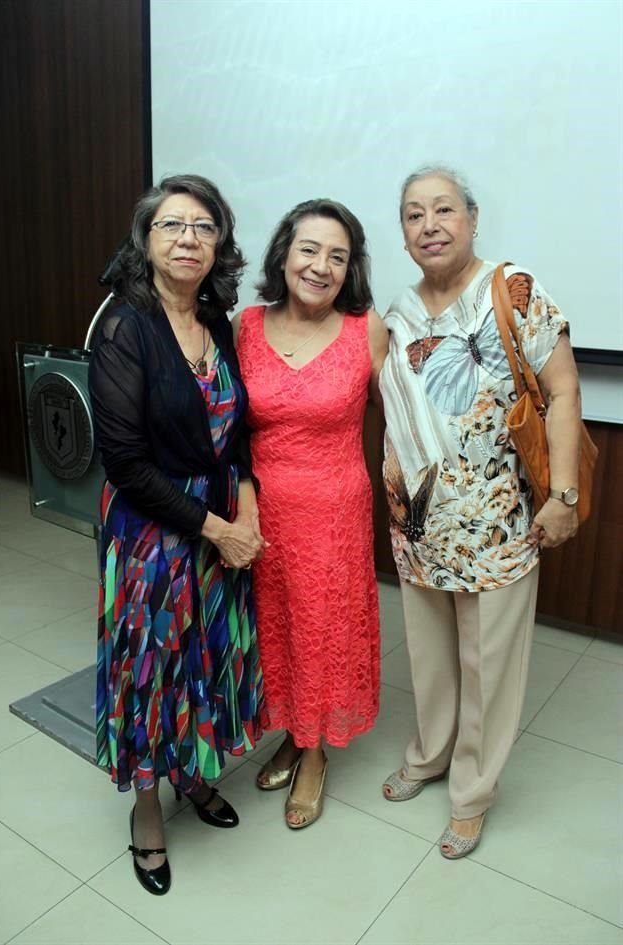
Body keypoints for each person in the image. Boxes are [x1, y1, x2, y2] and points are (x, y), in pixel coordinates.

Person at [379, 165, 582, 858]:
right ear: (403, 233)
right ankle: (431, 752)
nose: (429, 224)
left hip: (496, 523)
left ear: (470, 220)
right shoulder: (397, 312)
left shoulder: (510, 288)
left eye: (443, 210)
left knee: (488, 665)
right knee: (431, 659)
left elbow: (562, 388)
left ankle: (472, 792)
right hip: (417, 524)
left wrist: (564, 497)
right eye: (413, 214)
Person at [89, 174, 268, 895]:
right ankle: (145, 812)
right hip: (152, 532)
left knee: (203, 656)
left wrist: (246, 502)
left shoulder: (218, 319)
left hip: (220, 518)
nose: (188, 238)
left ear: (218, 244)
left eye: (203, 226)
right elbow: (125, 462)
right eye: (172, 226)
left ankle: (193, 774)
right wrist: (217, 528)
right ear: (147, 241)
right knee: (150, 669)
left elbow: (235, 432)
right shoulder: (123, 325)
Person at [234, 199, 388, 829]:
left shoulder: (366, 329)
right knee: (276, 626)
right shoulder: (244, 325)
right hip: (260, 511)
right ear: (284, 253)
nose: (321, 266)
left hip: (334, 510)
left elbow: (404, 421)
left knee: (322, 627)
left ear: (350, 269)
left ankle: (316, 753)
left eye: (338, 256)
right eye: (309, 249)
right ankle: (293, 734)